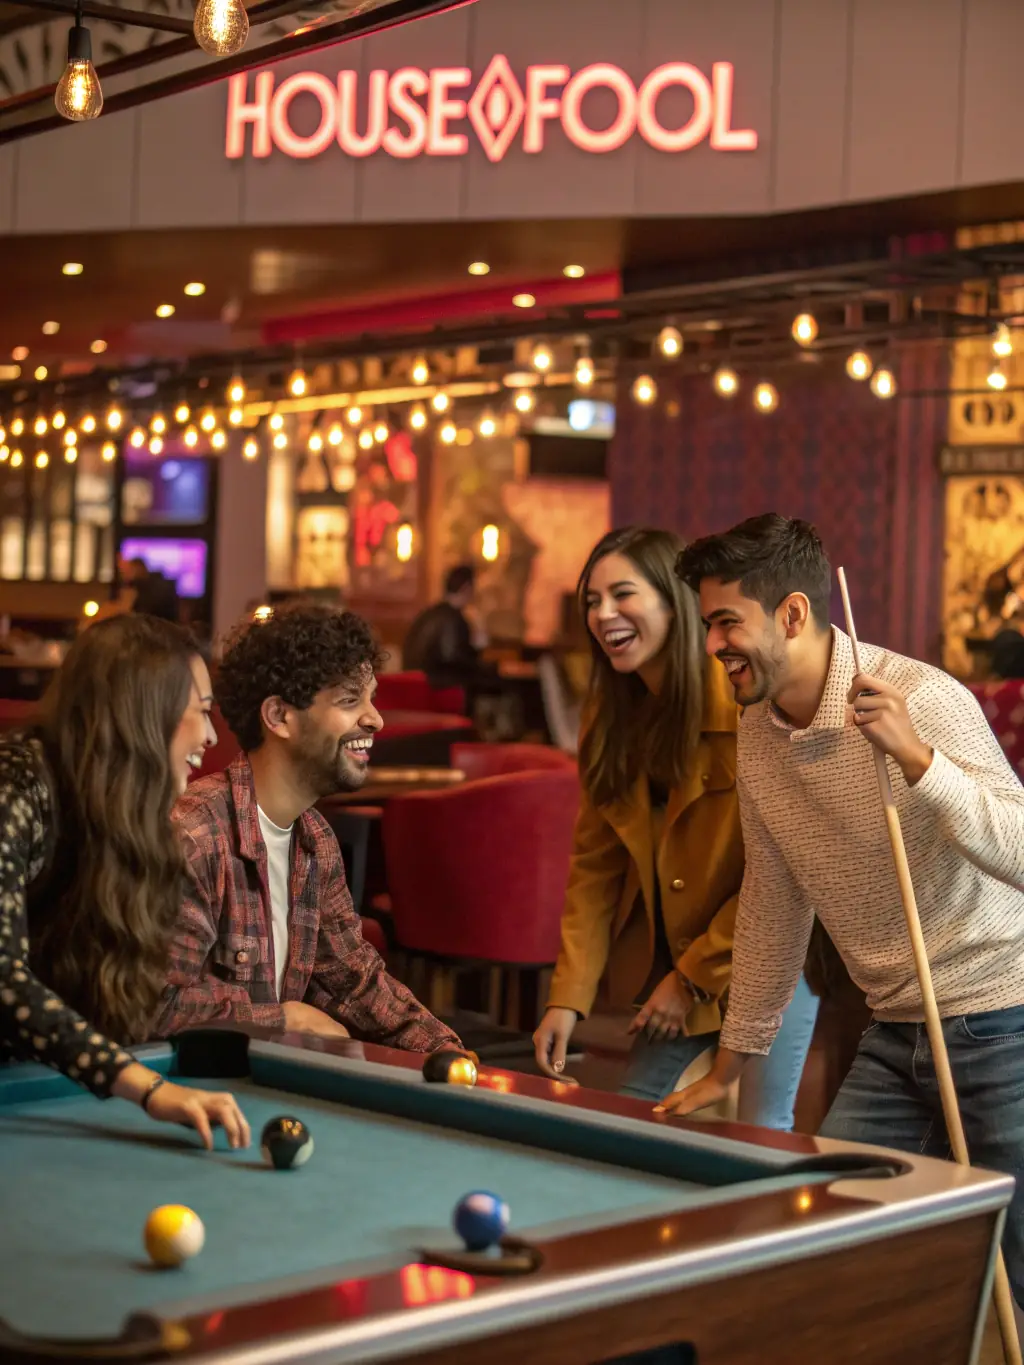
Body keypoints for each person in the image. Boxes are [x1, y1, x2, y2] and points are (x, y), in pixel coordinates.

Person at [666, 512, 1024, 1305]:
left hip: (1003, 1017)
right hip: (897, 1025)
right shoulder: (757, 730)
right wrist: (738, 1054)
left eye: (727, 621)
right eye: (706, 623)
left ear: (792, 614)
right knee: (827, 1237)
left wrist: (918, 759)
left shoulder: (924, 699)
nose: (711, 644)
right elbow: (772, 898)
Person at [532, 528, 818, 1129]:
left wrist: (689, 982)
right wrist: (568, 997)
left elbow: (783, 874)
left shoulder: (747, 708)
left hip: (766, 958)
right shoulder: (609, 721)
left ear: (675, 604)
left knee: (762, 1132)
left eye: (623, 595)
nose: (603, 614)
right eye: (591, 600)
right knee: (636, 1114)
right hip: (677, 967)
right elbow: (595, 869)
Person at [156, 601, 463, 1053]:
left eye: (371, 697)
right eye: (349, 700)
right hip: (188, 1106)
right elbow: (156, 1005)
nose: (375, 718)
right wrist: (283, 1018)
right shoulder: (197, 836)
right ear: (279, 716)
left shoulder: (315, 840)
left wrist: (449, 1053)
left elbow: (354, 984)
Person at [0, 615, 249, 1150]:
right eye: (203, 713)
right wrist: (149, 1088)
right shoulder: (16, 784)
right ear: (144, 712)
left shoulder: (117, 810)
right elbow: (1, 977)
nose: (210, 735)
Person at [402, 564, 488, 691]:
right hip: (436, 688)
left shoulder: (430, 613)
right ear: (467, 588)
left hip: (415, 684)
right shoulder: (452, 618)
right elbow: (454, 659)